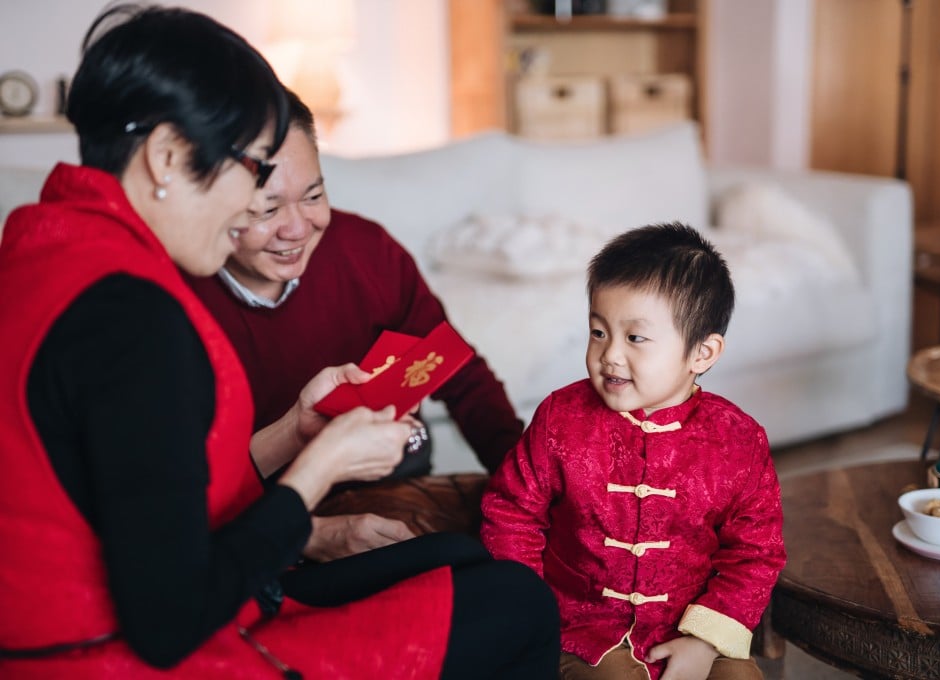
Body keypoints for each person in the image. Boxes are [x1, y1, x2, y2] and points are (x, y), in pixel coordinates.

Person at [0, 5, 558, 678]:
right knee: (519, 603)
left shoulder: (48, 249)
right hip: (118, 654)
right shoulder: (136, 316)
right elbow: (169, 622)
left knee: (465, 562)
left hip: (133, 612)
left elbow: (160, 489)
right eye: (252, 172)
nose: (251, 210)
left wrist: (297, 431)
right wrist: (319, 469)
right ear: (168, 157)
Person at [185, 89, 524, 558]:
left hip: (396, 486)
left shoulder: (365, 250)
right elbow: (179, 495)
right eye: (266, 210)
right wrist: (307, 536)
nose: (298, 228)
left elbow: (460, 375)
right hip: (252, 515)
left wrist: (531, 494)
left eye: (314, 195)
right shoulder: (174, 300)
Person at [481, 223, 786, 680]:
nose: (610, 356)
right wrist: (530, 611)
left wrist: (704, 642)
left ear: (701, 353)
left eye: (635, 338)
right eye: (599, 332)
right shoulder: (561, 418)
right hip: (579, 628)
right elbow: (510, 512)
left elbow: (756, 552)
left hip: (694, 626)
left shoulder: (738, 440)